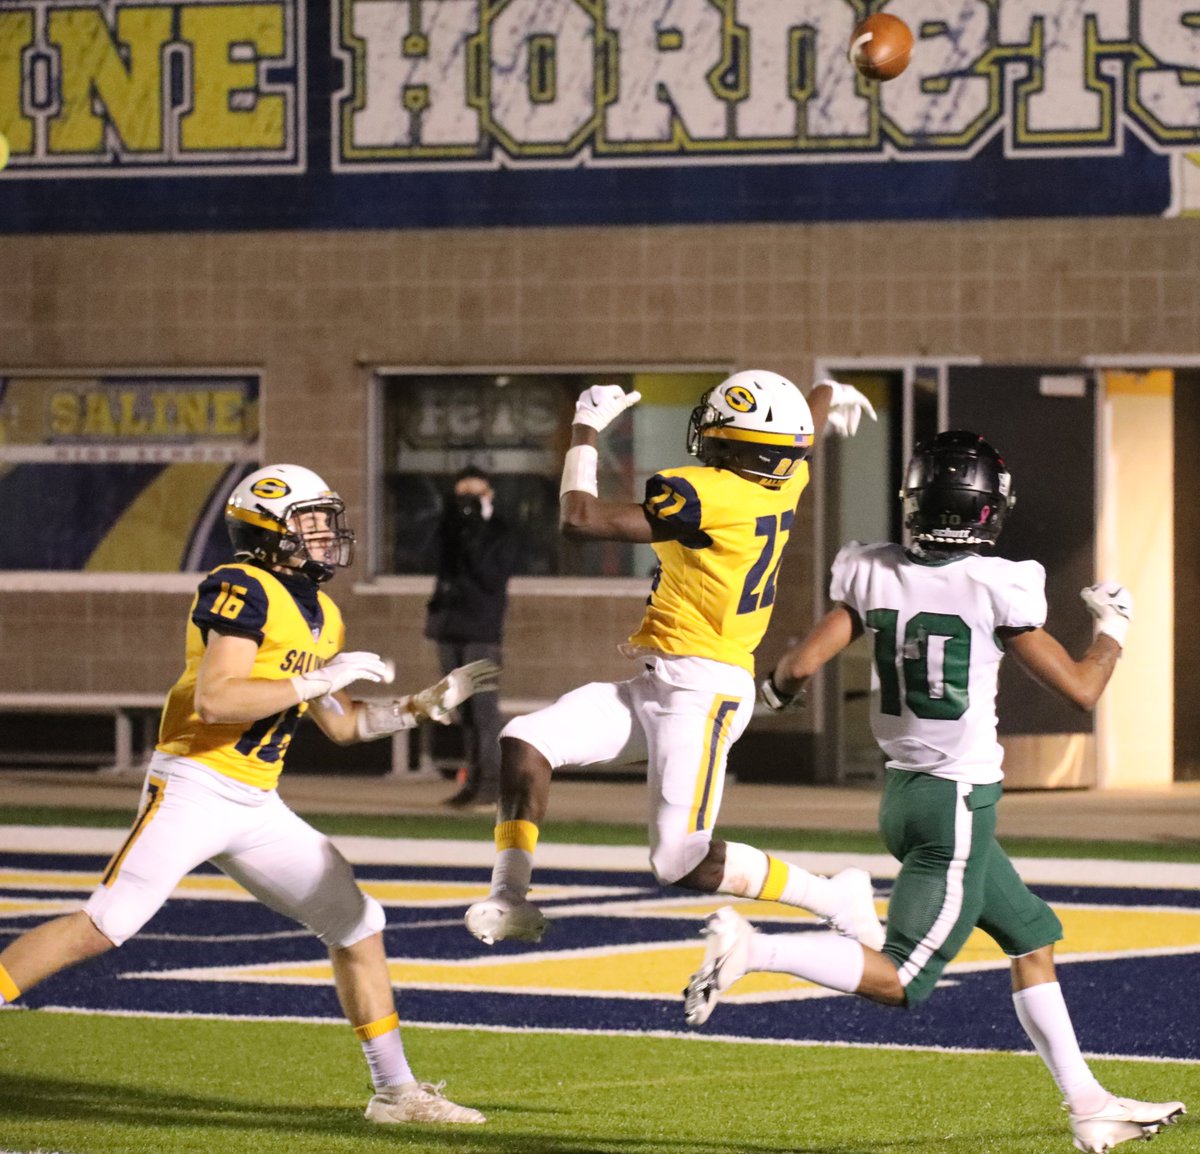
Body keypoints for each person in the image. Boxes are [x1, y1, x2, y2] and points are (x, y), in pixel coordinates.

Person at [683, 431, 1185, 1153]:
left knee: (1033, 938)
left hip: (905, 796)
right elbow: (1081, 688)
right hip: (956, 807)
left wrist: (775, 692)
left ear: (916, 502)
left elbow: (794, 670)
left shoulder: (872, 571)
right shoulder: (997, 584)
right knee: (905, 980)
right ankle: (755, 951)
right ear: (987, 511)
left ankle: (1089, 1104)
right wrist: (1113, 630)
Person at [0, 463, 498, 1127]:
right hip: (195, 783)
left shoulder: (323, 613)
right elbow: (217, 698)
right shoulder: (242, 585)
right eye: (309, 520)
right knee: (104, 926)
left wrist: (415, 708)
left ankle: (395, 1092)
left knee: (358, 924)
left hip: (256, 802)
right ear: (268, 530)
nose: (325, 533)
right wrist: (316, 683)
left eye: (326, 519)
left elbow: (344, 724)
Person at [463, 372, 885, 948]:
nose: (708, 440)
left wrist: (585, 426)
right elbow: (799, 432)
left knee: (680, 860)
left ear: (737, 448)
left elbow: (578, 520)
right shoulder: (784, 477)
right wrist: (827, 393)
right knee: (526, 738)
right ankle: (509, 897)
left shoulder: (710, 492)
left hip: (703, 692)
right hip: (660, 682)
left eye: (720, 435)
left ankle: (834, 896)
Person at [424, 466, 518, 809]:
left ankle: (492, 785)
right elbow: (426, 553)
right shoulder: (451, 529)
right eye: (461, 495)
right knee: (462, 713)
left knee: (483, 711)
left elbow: (489, 575)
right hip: (449, 628)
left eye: (474, 496)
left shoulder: (500, 530)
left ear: (489, 495)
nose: (466, 504)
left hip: (481, 630)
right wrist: (453, 519)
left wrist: (475, 524)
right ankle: (473, 781)